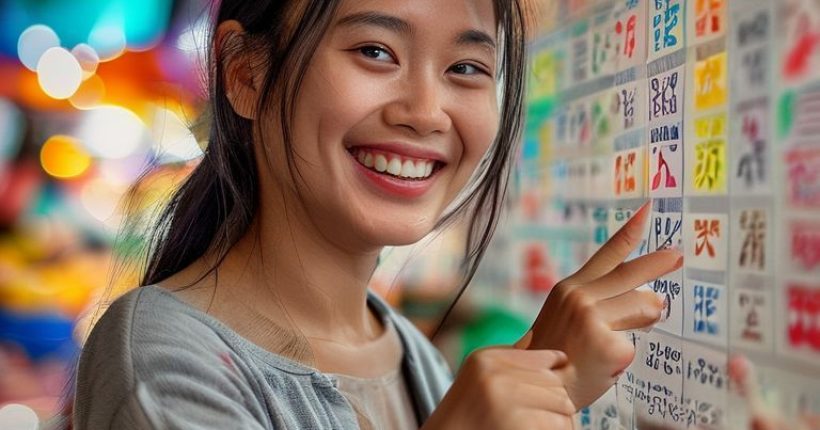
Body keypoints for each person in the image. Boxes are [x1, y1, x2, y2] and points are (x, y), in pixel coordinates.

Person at [67, 1, 683, 429]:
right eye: (375, 51)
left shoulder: (414, 356)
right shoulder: (160, 355)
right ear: (246, 73)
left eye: (466, 68)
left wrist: (550, 384)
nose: (426, 111)